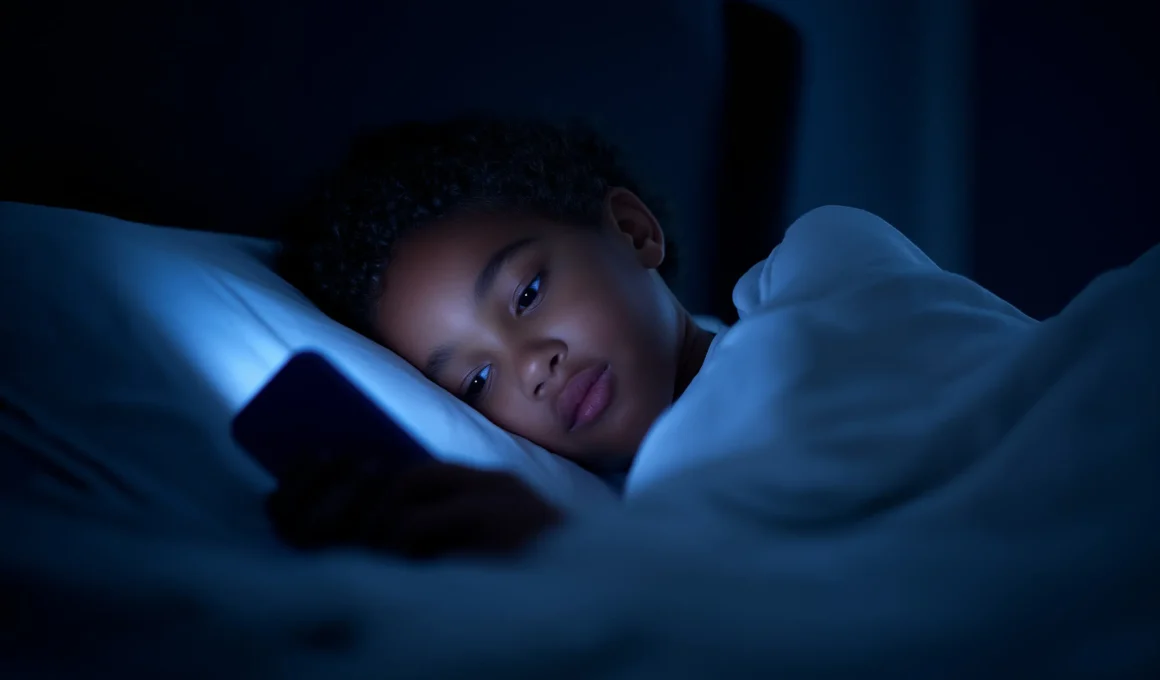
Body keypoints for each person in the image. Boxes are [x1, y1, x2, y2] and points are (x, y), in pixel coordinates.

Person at [275, 117, 717, 558]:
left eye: (528, 295)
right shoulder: (636, 503)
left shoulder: (762, 353)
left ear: (633, 231)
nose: (532, 367)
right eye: (479, 380)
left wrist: (567, 546)